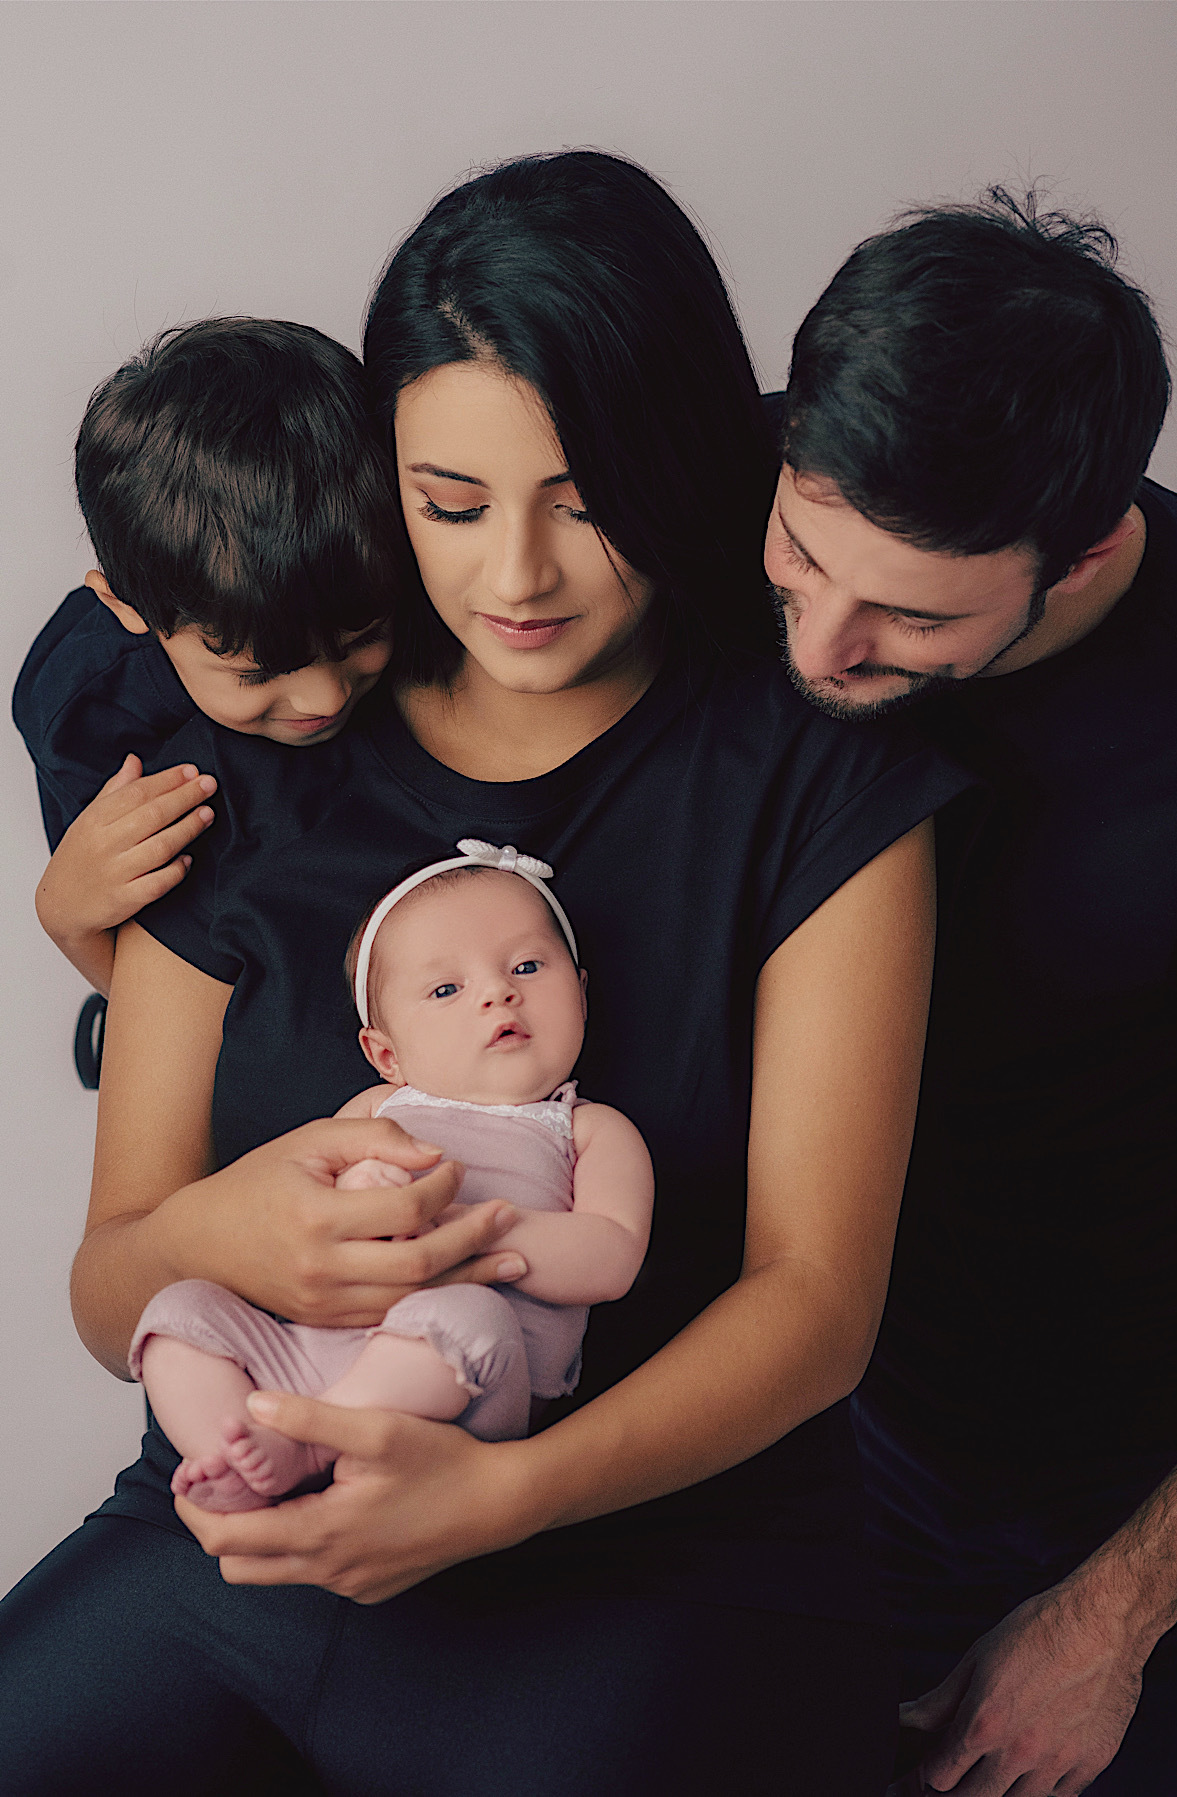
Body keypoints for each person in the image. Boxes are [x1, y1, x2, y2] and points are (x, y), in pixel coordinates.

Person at [0, 151, 965, 1796]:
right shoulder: (257, 737)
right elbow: (114, 1282)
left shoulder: (810, 767)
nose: (515, 577)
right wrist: (232, 1237)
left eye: (583, 500)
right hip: (241, 1531)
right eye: (449, 505)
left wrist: (507, 1494)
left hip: (646, 1549)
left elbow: (817, 1309)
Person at [766, 189, 1177, 1796]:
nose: (821, 641)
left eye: (912, 617)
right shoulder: (727, 476)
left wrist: (1110, 1620)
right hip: (791, 1416)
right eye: (800, 557)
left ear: (1081, 551)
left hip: (1116, 1492)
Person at [135, 844, 653, 1512]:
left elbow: (611, 1258)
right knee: (175, 1312)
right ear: (387, 1055)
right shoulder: (374, 1113)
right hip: (308, 1359)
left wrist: (459, 1229)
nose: (500, 991)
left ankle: (308, 1443)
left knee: (470, 1314)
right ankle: (230, 1453)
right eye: (446, 989)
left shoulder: (585, 1128)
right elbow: (301, 1210)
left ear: (580, 994)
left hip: (464, 1387)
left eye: (526, 965)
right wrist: (357, 1198)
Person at [12, 316, 405, 995]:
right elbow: (140, 944)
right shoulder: (92, 713)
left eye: (360, 638)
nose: (327, 697)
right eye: (258, 671)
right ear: (126, 607)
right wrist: (68, 922)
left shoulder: (385, 563)